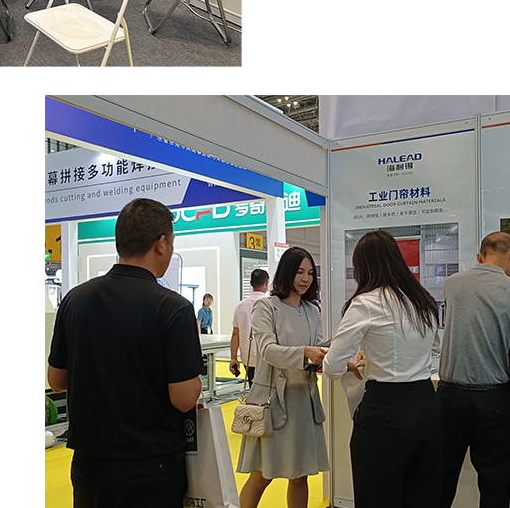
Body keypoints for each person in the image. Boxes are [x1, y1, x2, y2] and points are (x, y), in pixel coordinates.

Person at [47, 198, 203, 508]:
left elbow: (57, 381)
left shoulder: (75, 300)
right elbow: (184, 398)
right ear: (161, 244)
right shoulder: (174, 307)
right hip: (151, 466)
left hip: (89, 466)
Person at [321, 230, 442, 508]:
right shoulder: (423, 300)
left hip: (384, 413)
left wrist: (364, 360)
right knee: (423, 498)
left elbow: (332, 367)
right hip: (427, 406)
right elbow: (434, 346)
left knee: (377, 497)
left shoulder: (365, 303)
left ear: (363, 267)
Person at [436, 231, 510, 508]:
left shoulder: (452, 283)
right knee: (495, 483)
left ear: (480, 257)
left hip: (449, 398)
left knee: (441, 479)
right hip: (493, 402)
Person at [237, 246, 329, 508]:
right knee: (262, 475)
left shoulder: (313, 310)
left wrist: (336, 355)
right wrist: (305, 353)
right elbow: (267, 351)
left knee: (301, 474)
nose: (305, 278)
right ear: (287, 272)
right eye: (300, 272)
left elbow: (318, 347)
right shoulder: (266, 307)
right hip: (272, 400)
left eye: (310, 273)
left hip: (304, 400)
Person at [230, 268, 269, 383]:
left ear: (251, 283)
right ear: (267, 283)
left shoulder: (240, 306)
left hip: (248, 358)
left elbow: (235, 334)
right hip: (267, 357)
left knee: (253, 389)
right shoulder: (271, 304)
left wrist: (233, 358)